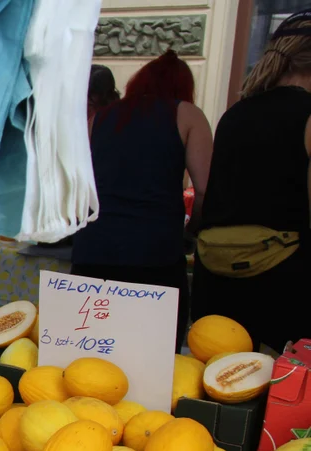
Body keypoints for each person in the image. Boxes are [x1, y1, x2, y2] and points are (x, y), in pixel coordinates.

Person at [70, 50, 213, 351]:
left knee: (89, 350)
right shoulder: (188, 114)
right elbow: (204, 189)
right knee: (152, 355)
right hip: (155, 255)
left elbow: (77, 184)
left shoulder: (99, 119)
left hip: (95, 251)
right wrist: (193, 231)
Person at [191, 10, 311, 353]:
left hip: (215, 276)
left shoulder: (235, 113)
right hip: (283, 281)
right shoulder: (307, 114)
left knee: (216, 385)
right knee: (277, 392)